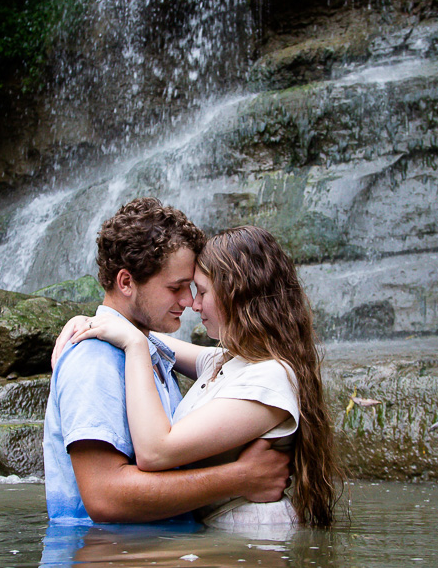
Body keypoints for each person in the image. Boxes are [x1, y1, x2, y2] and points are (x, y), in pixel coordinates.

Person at [63, 224, 340, 531]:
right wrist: (93, 319)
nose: (192, 304)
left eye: (202, 292)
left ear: (238, 295)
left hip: (254, 543)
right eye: (179, 289)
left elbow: (155, 452)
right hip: (224, 546)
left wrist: (135, 345)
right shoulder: (227, 362)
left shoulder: (269, 378)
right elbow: (143, 331)